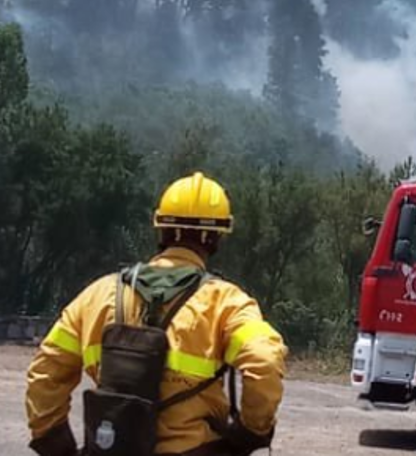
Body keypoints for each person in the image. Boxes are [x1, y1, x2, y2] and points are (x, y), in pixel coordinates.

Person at [25, 172, 287, 455]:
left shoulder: (98, 295)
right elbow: (264, 360)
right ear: (215, 238)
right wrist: (251, 431)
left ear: (160, 229)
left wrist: (55, 442)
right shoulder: (225, 301)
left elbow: (45, 372)